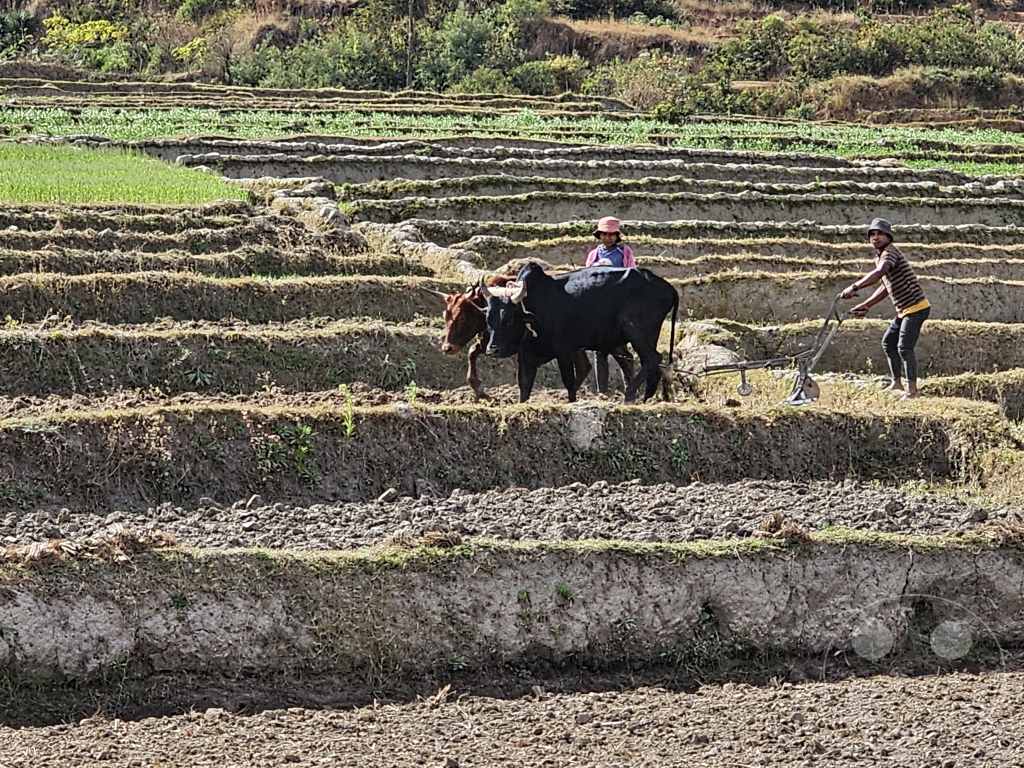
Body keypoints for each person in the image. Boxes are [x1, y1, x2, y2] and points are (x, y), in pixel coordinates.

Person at [840, 218, 931, 399]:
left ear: (888, 237)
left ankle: (912, 391)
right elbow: (885, 287)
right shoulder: (881, 257)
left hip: (916, 306)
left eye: (880, 234)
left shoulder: (890, 253)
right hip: (904, 309)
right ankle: (896, 383)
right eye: (872, 234)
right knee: (888, 343)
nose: (876, 237)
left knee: (904, 348)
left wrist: (855, 287)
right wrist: (867, 304)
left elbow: (880, 273)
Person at [585, 216, 636, 391]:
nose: (607, 238)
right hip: (597, 307)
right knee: (599, 352)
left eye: (611, 234)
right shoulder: (594, 255)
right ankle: (602, 392)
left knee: (620, 350)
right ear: (599, 235)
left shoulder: (624, 253)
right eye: (604, 234)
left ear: (617, 235)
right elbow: (586, 278)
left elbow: (631, 275)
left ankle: (631, 389)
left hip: (617, 306)